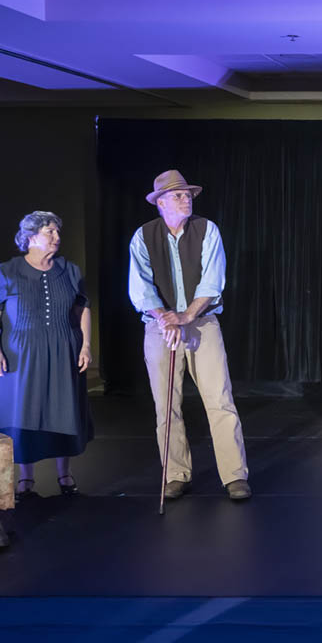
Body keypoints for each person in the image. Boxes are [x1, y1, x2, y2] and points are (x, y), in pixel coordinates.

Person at [128, 170, 250, 501]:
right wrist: (165, 319)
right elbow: (140, 287)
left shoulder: (207, 229)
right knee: (167, 405)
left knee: (219, 399)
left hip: (201, 323)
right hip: (160, 327)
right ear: (161, 202)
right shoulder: (143, 236)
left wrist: (185, 316)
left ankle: (234, 475)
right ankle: (176, 473)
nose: (186, 199)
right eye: (179, 195)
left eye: (188, 194)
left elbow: (212, 281)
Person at [0, 211, 93, 504]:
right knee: (23, 412)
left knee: (63, 409)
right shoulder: (5, 271)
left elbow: (82, 309)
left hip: (62, 349)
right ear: (31, 237)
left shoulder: (70, 271)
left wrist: (85, 346)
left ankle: (65, 475)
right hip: (22, 352)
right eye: (49, 232)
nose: (57, 237)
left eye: (57, 231)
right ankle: (26, 478)